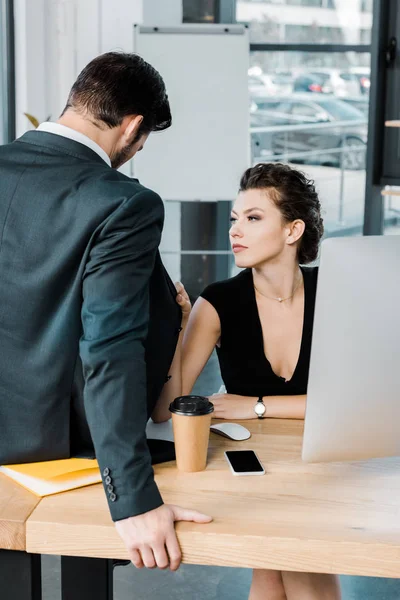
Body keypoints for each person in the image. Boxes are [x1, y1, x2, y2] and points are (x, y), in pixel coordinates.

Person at [0, 51, 211, 572]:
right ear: (133, 126)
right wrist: (133, 499)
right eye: (143, 141)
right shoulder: (121, 202)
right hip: (56, 454)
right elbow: (109, 349)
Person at [181, 163, 341, 599]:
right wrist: (174, 330)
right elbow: (168, 406)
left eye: (253, 218)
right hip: (256, 467)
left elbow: (351, 404)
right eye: (235, 219)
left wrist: (256, 404)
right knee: (289, 569)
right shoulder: (216, 303)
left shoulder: (336, 292)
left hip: (325, 462)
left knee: (277, 572)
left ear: (292, 231)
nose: (235, 229)